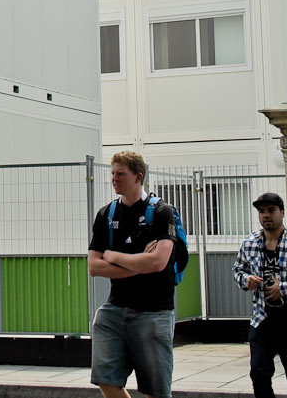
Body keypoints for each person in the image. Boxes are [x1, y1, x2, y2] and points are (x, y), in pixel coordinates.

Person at [88, 151, 177, 398]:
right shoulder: (106, 215)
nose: (115, 179)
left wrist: (115, 257)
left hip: (154, 311)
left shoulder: (161, 212)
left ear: (138, 177)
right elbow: (94, 267)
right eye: (113, 173)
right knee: (106, 379)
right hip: (115, 309)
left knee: (156, 391)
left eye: (121, 174)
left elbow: (158, 262)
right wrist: (140, 263)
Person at [231, 193, 287, 398]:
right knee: (258, 372)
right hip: (262, 318)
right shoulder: (250, 243)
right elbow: (238, 270)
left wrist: (284, 289)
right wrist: (247, 280)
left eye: (271, 210)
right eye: (262, 211)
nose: (266, 215)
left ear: (282, 212)